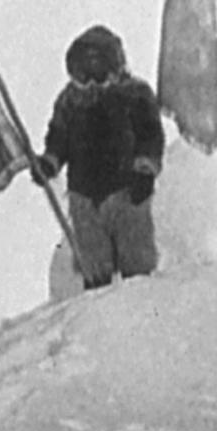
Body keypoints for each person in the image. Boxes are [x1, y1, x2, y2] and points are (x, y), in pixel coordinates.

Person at [32, 25, 165, 290]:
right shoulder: (69, 102)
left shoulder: (135, 95)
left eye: (99, 70)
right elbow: (58, 137)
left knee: (136, 264)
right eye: (85, 72)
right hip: (85, 196)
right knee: (94, 266)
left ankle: (140, 308)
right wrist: (49, 163)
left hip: (127, 191)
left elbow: (150, 135)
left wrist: (145, 170)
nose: (92, 81)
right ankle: (97, 311)